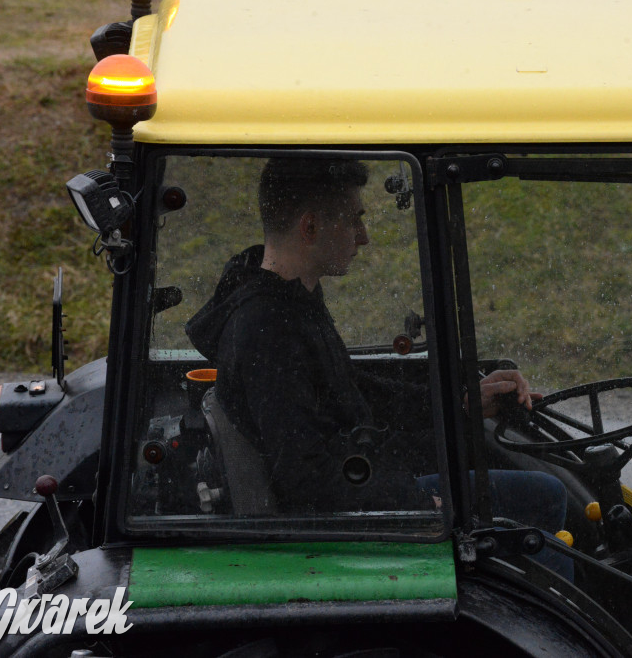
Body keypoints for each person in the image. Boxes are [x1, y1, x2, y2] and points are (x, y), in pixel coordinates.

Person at [186, 158, 566, 530]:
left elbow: (356, 392)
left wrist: (460, 400)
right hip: (343, 528)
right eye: (354, 219)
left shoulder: (290, 301)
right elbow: (305, 478)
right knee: (545, 497)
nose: (363, 236)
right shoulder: (267, 329)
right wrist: (416, 504)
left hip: (362, 487)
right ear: (311, 226)